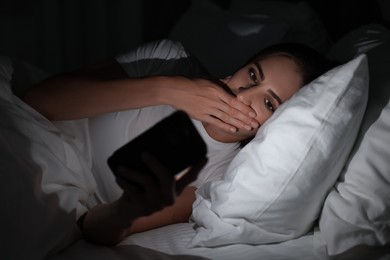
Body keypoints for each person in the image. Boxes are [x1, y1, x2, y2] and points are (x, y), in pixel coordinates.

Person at [22, 39, 334, 245]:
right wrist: (167, 90)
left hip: (48, 188)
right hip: (25, 127)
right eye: (253, 75)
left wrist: (127, 210)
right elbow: (36, 100)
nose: (243, 95)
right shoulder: (171, 61)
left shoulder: (219, 178)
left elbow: (94, 227)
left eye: (268, 104)